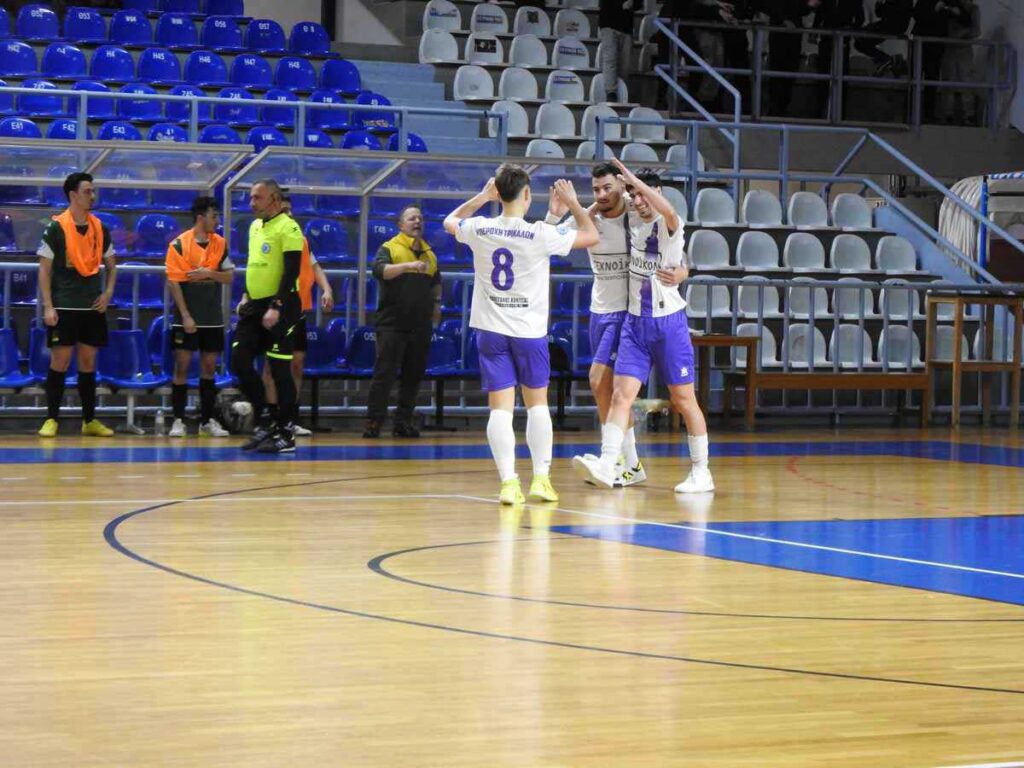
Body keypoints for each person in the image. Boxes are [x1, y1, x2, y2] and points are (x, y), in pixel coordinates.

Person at [444, 166, 598, 505]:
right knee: (537, 405)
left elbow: (450, 220)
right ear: (527, 195)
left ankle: (508, 484)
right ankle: (541, 480)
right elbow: (590, 236)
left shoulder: (481, 227)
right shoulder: (540, 234)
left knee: (500, 410)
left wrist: (481, 198)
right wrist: (574, 205)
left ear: (498, 193)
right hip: (529, 332)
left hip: (491, 330)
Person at [573, 159, 713, 494]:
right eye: (634, 194)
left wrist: (683, 272)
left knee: (683, 399)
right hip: (634, 324)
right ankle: (611, 466)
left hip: (668, 324)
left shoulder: (669, 223)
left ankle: (702, 471)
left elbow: (669, 215)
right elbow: (605, 210)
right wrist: (622, 191)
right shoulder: (633, 218)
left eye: (645, 194)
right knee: (621, 396)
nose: (639, 200)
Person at [546, 162, 689, 486]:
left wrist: (682, 273)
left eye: (607, 187)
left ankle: (615, 461)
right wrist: (561, 212)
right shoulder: (589, 219)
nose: (601, 194)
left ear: (623, 188)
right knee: (606, 390)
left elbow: (675, 251)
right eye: (596, 189)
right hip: (600, 311)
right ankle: (630, 463)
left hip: (629, 313)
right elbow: (550, 240)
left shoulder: (638, 216)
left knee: (600, 382)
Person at [37, 171, 117, 438]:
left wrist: (107, 293)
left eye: (93, 191)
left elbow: (112, 266)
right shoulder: (56, 228)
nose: (92, 196)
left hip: (91, 307)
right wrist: (48, 306)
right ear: (73, 195)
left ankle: (89, 419)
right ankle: (51, 419)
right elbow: (44, 271)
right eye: (87, 191)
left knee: (88, 361)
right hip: (65, 305)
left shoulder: (99, 227)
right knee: (60, 361)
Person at [230, 179, 304, 454]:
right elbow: (256, 266)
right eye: (250, 198)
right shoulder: (254, 226)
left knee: (279, 370)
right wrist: (246, 296)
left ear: (273, 198)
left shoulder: (289, 227)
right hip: (254, 305)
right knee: (239, 361)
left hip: (281, 306)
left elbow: (291, 270)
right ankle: (268, 419)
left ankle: (286, 434)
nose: (252, 203)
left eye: (257, 198)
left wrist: (276, 304)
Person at [364, 205, 441, 439]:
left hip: (420, 326)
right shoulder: (389, 248)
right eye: (411, 218)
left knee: (413, 375)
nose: (417, 221)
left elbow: (436, 286)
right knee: (384, 374)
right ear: (401, 225)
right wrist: (408, 266)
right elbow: (380, 271)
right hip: (392, 324)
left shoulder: (430, 254)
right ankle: (374, 422)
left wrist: (436, 312)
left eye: (420, 218)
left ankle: (403, 422)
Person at [260, 194, 334, 437]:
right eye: (284, 210)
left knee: (297, 363)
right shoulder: (270, 236)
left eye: (290, 210)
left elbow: (314, 266)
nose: (289, 214)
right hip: (277, 309)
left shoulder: (300, 238)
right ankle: (272, 417)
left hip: (299, 310)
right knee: (272, 366)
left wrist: (327, 288)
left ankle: (291, 416)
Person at [164, 196, 233, 438]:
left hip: (212, 317)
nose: (218, 221)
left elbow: (229, 277)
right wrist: (185, 316)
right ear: (201, 217)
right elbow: (174, 282)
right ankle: (178, 420)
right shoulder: (179, 245)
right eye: (214, 216)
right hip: (187, 317)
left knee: (208, 368)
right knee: (181, 367)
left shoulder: (220, 243)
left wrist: (209, 273)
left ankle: (207, 420)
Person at [940, 0, 979, 124]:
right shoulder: (949, 7)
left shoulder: (973, 9)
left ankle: (969, 114)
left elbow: (976, 31)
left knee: (966, 80)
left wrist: (963, 33)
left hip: (964, 48)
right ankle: (947, 114)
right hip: (950, 48)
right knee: (948, 80)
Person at [854, 0, 913, 76]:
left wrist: (880, 8)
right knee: (860, 41)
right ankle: (886, 59)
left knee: (860, 40)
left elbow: (888, 13)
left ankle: (885, 59)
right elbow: (883, 13)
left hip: (891, 25)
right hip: (891, 25)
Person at [598, 0, 633, 103]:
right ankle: (611, 92)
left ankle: (622, 94)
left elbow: (639, 4)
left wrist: (633, 4)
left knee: (625, 65)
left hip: (627, 26)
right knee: (610, 58)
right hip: (608, 22)